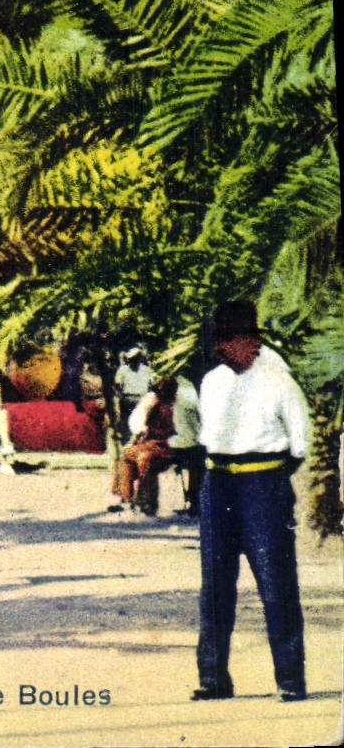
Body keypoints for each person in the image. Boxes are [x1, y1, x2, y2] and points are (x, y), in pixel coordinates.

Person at [192, 300, 309, 703]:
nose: (221, 349)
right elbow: (206, 437)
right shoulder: (211, 382)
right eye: (219, 342)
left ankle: (290, 679)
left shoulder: (279, 382)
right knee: (215, 586)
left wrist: (267, 477)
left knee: (276, 584)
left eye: (232, 340)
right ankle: (213, 679)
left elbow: (300, 444)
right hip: (218, 485)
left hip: (263, 486)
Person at [111, 378, 176, 516]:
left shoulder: (175, 406)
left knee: (145, 459)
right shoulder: (154, 403)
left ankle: (146, 502)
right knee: (126, 455)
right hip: (150, 443)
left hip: (167, 446)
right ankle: (126, 497)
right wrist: (135, 440)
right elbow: (142, 426)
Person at [170, 375, 204, 517]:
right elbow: (198, 419)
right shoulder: (188, 390)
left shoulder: (172, 387)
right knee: (198, 463)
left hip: (170, 441)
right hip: (185, 443)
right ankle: (195, 502)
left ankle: (191, 500)